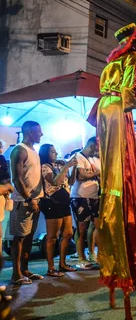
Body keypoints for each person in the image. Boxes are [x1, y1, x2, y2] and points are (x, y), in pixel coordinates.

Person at [86, 23, 136, 312]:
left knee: (113, 173)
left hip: (106, 110)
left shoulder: (111, 64)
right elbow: (135, 90)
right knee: (122, 172)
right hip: (118, 109)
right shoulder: (133, 58)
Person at [9, 121, 44, 285]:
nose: (41, 134)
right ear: (30, 132)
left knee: (29, 237)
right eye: (39, 131)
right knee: (20, 238)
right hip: (23, 202)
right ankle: (16, 274)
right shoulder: (20, 150)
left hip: (35, 201)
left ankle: (25, 269)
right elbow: (16, 179)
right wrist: (29, 199)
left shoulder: (33, 151)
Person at [39, 144, 78, 277]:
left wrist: (74, 168)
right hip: (52, 203)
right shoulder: (45, 167)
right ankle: (51, 268)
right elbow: (55, 182)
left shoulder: (59, 165)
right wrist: (66, 166)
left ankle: (62, 263)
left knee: (68, 233)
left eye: (56, 151)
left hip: (64, 201)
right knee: (52, 237)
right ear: (45, 153)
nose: (55, 154)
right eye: (52, 152)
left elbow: (70, 182)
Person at [69, 137, 100, 269]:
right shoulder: (77, 157)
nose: (98, 151)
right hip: (80, 197)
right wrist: (97, 173)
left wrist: (94, 173)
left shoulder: (93, 159)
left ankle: (94, 253)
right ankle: (81, 258)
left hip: (95, 197)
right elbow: (81, 176)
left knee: (98, 226)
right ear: (92, 146)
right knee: (82, 229)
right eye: (97, 148)